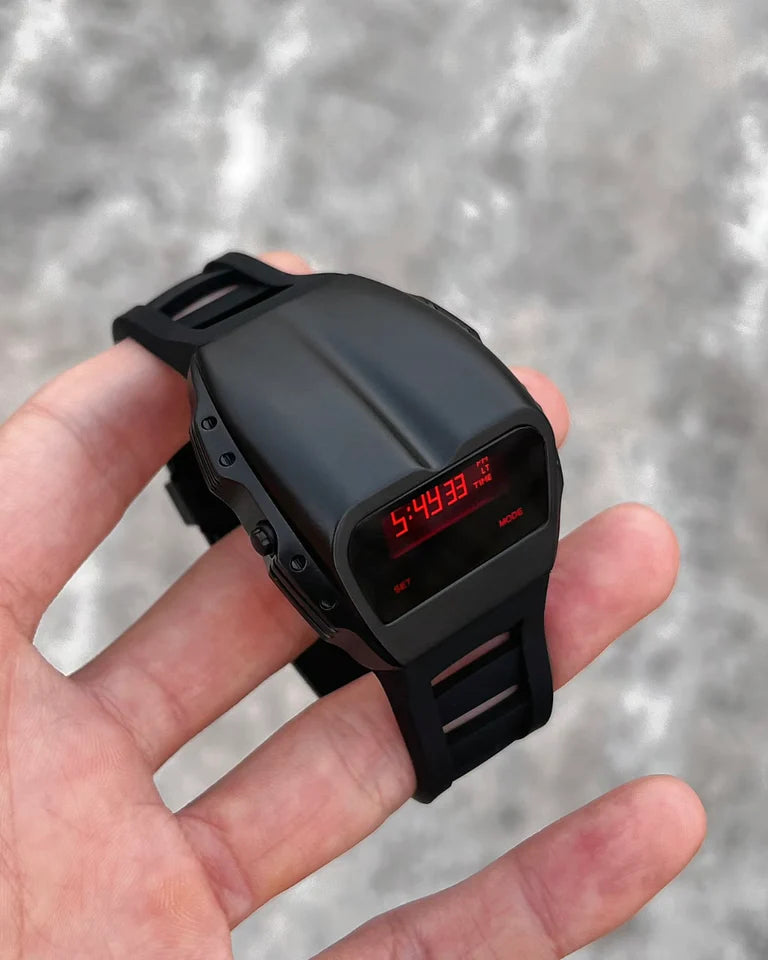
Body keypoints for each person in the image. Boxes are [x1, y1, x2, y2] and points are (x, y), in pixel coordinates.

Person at [0, 252, 705, 959]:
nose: (434, 511)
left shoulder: (354, 332)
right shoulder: (317, 341)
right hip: (412, 571)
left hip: (472, 568)